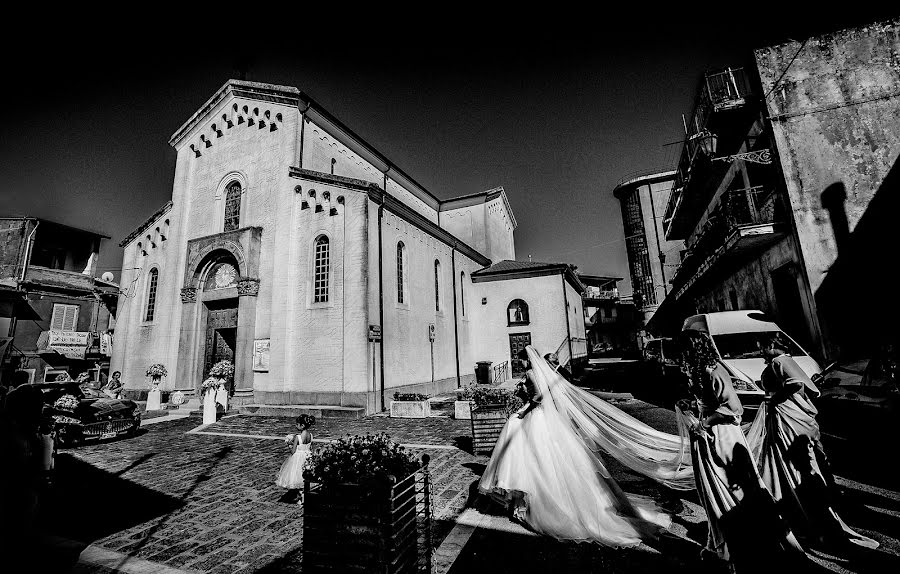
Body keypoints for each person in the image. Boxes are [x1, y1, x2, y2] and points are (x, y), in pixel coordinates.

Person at [478, 345, 673, 547]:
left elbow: (540, 396)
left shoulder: (530, 372)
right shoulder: (538, 371)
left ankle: (535, 500)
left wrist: (524, 410)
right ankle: (529, 497)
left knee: (536, 457)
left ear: (527, 360)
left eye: (521, 360)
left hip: (537, 417)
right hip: (543, 418)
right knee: (546, 457)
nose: (520, 364)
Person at [677, 330, 808, 572]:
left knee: (729, 490)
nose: (680, 355)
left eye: (684, 349)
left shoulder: (713, 370)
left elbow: (734, 408)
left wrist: (705, 423)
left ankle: (740, 545)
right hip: (708, 434)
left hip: (721, 436)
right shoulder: (700, 370)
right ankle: (720, 545)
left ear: (693, 349)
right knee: (712, 492)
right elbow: (710, 400)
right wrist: (692, 404)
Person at [745, 334, 878, 550]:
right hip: (788, 416)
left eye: (762, 348)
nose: (760, 352)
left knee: (786, 466)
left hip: (786, 417)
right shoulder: (787, 360)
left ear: (771, 346)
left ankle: (801, 515)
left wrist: (774, 398)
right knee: (785, 465)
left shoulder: (780, 362)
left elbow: (796, 384)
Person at [275, 414, 315, 505]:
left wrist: (289, 444)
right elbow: (310, 448)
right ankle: (304, 495)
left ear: (302, 425)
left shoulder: (298, 437)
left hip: (297, 459)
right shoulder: (311, 436)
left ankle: (300, 496)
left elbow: (293, 451)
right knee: (305, 476)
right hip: (307, 457)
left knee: (296, 475)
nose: (296, 426)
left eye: (297, 424)